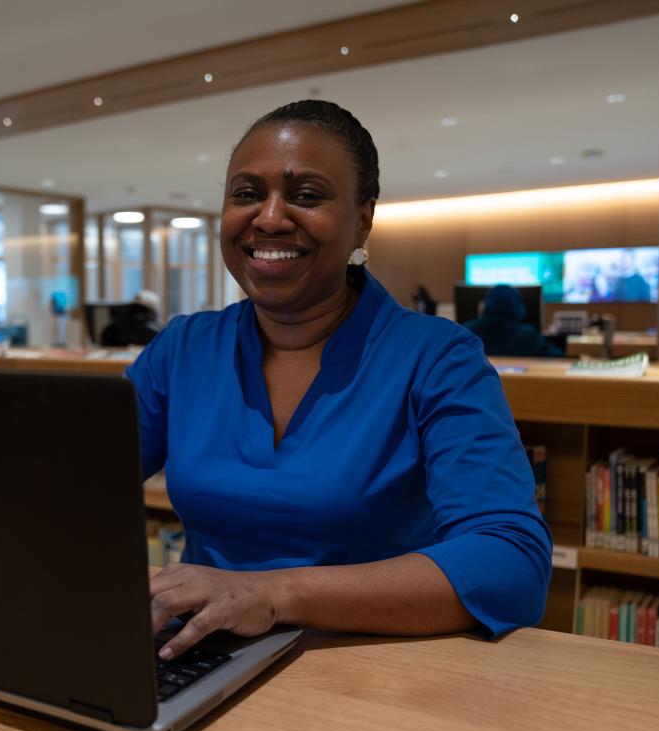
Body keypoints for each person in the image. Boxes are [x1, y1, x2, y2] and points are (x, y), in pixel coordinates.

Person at [125, 100, 551, 661]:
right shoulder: (182, 349)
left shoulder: (438, 358)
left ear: (363, 220)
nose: (269, 218)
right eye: (246, 193)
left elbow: (511, 562)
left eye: (306, 196)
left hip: (373, 668)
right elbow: (68, 482)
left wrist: (270, 595)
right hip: (197, 655)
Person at [462, 284, 564, 357]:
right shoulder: (528, 336)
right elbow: (557, 358)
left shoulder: (467, 332)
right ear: (518, 308)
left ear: (485, 306)